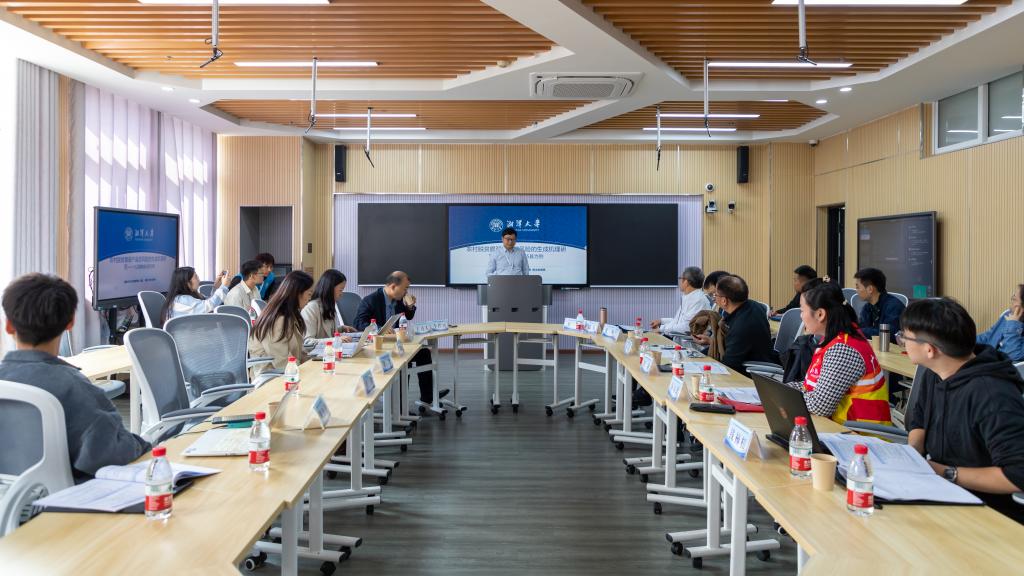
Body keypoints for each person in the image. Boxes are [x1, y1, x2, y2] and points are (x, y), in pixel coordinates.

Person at [0, 273, 149, 483]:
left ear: (8, 326)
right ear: (70, 322)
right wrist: (145, 444)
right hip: (64, 501)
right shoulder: (75, 388)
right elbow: (115, 454)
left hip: (8, 500)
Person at [903, 298, 1024, 523]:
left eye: (905, 337)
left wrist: (944, 472)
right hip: (945, 496)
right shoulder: (934, 373)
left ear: (929, 349)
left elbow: (1018, 475)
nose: (902, 341)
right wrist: (912, 455)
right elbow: (919, 420)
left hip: (992, 515)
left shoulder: (992, 394)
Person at [783, 283, 892, 425]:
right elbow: (810, 386)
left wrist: (785, 397)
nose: (801, 316)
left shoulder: (843, 349)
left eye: (802, 310)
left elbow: (819, 406)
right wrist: (780, 390)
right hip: (840, 427)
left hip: (859, 434)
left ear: (820, 314)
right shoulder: (831, 340)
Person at [355, 271, 447, 404]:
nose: (406, 292)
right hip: (379, 346)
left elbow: (408, 317)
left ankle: (428, 396)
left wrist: (410, 306)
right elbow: (358, 323)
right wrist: (380, 328)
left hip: (396, 344)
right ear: (393, 286)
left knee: (424, 353)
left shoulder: (397, 300)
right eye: (405, 288)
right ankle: (400, 405)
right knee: (405, 359)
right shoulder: (371, 300)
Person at [695, 275, 777, 375]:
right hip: (751, 360)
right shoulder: (753, 306)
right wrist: (711, 341)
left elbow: (729, 366)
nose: (714, 298)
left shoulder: (741, 326)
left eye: (715, 295)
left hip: (749, 374)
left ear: (724, 301)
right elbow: (736, 344)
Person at [248, 271, 314, 376]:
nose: (310, 299)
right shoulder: (277, 320)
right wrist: (309, 372)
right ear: (297, 293)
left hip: (287, 373)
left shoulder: (290, 315)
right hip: (272, 378)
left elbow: (298, 353)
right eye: (309, 294)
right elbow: (281, 362)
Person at [160, 266, 230, 324]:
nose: (199, 280)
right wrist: (224, 287)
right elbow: (209, 306)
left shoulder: (185, 297)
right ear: (187, 283)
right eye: (196, 277)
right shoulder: (182, 300)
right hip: (188, 335)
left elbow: (207, 303)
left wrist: (216, 287)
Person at [302, 269, 356, 344]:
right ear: (330, 289)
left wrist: (341, 329)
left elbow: (326, 331)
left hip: (329, 350)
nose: (341, 294)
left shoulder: (329, 305)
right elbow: (307, 342)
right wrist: (336, 340)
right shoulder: (311, 308)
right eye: (340, 290)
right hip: (317, 351)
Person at [651, 266, 710, 334]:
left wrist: (661, 329)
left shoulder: (698, 300)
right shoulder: (689, 297)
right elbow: (679, 321)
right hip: (678, 337)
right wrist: (661, 321)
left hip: (684, 339)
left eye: (680, 278)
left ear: (686, 282)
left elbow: (687, 327)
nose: (679, 281)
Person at [976, 284, 1024, 362]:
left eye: (1014, 299)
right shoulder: (1008, 315)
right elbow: (988, 337)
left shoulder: (1012, 322)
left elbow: (1013, 356)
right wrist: (965, 340)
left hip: (1001, 367)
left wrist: (1013, 324)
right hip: (988, 360)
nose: (1011, 302)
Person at [853, 267, 905, 338]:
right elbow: (862, 327)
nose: (856, 290)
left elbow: (887, 334)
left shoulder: (894, 306)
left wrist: (858, 331)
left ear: (870, 289)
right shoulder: (868, 306)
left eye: (858, 287)